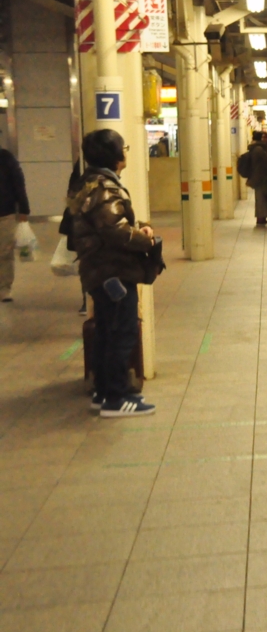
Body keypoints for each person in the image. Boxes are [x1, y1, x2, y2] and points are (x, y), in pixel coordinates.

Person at [71, 129, 156, 417]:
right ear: (115, 154)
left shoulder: (90, 183)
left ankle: (103, 392)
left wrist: (138, 224)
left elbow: (108, 220)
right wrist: (147, 239)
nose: (126, 152)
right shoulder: (104, 186)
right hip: (112, 270)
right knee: (122, 331)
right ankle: (116, 398)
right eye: (125, 147)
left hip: (101, 269)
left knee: (108, 331)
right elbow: (114, 230)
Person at [0, 144, 31, 303]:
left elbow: (18, 182)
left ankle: (4, 288)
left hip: (5, 213)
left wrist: (24, 208)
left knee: (4, 252)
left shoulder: (6, 158)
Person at [58, 164, 87, 314]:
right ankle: (87, 300)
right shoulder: (82, 169)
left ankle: (87, 300)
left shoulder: (80, 168)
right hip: (84, 228)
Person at [247, 131, 267, 226]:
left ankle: (262, 216)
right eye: (264, 137)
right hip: (261, 177)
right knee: (261, 198)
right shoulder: (259, 149)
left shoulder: (255, 148)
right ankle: (261, 218)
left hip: (257, 176)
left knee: (261, 198)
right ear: (261, 138)